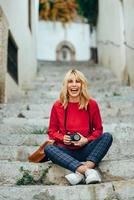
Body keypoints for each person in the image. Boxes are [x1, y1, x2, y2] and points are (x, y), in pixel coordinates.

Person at [44, 69, 113, 185]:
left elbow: (99, 130)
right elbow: (52, 131)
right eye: (70, 81)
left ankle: (79, 173)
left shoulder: (91, 104)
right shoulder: (58, 105)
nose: (74, 85)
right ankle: (87, 171)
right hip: (66, 151)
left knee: (107, 137)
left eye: (78, 81)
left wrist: (86, 140)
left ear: (82, 85)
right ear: (66, 85)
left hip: (86, 149)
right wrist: (62, 138)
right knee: (48, 149)